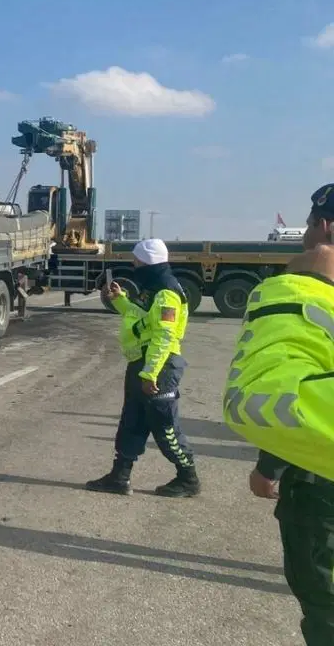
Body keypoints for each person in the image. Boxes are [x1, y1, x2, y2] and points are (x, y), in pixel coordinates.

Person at [225, 184, 334, 644]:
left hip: (321, 490)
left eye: (309, 225)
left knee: (326, 609)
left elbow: (273, 399)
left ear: (324, 227)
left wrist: (295, 291)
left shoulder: (314, 297)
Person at [85, 238, 199, 498]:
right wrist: (121, 300)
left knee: (165, 426)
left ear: (146, 262)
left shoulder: (167, 292)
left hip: (159, 366)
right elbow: (142, 317)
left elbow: (164, 336)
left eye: (136, 261)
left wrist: (150, 373)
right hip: (142, 361)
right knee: (132, 421)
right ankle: (119, 477)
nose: (134, 265)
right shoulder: (153, 287)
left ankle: (188, 478)